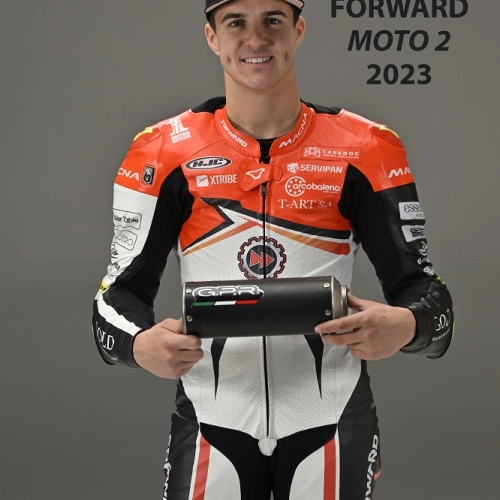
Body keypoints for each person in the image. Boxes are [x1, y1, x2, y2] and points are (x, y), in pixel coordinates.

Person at [92, 1, 454, 498]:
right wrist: (138, 345)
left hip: (332, 417)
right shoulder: (162, 150)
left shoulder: (366, 146)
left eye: (273, 20)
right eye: (236, 22)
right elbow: (115, 297)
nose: (256, 38)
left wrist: (406, 326)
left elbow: (427, 294)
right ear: (212, 37)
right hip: (211, 416)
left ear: (298, 31)